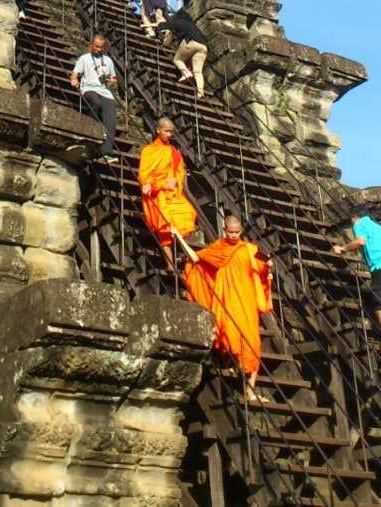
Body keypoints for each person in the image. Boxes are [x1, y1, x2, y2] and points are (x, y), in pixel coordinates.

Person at [184, 215, 274, 401]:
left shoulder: (250, 249)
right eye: (230, 232)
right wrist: (178, 236)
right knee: (229, 335)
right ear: (225, 230)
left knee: (253, 345)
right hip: (226, 299)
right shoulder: (218, 247)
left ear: (241, 232)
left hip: (246, 300)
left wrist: (268, 268)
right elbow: (197, 258)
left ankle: (250, 391)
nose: (233, 235)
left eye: (237, 232)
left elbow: (262, 270)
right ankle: (231, 364)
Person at [332, 204, 381, 363]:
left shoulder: (360, 224)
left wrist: (343, 249)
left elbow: (360, 242)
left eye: (351, 220)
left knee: (380, 306)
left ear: (355, 217)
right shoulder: (378, 227)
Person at [138, 117, 198, 268]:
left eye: (171, 132)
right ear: (158, 130)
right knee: (165, 224)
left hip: (172, 192)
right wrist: (148, 184)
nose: (169, 135)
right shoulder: (148, 151)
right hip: (158, 193)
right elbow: (144, 173)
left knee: (188, 213)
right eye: (166, 131)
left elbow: (180, 171)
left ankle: (178, 252)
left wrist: (176, 181)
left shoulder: (173, 151)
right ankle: (170, 262)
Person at [71, 35, 119, 164]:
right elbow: (75, 74)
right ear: (91, 45)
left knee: (111, 120)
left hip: (105, 92)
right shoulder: (84, 58)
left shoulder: (108, 61)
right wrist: (74, 80)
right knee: (96, 104)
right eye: (96, 46)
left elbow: (113, 80)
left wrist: (111, 82)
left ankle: (106, 152)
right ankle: (90, 128)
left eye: (101, 47)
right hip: (89, 88)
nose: (98, 49)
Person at [145, 10, 209, 98]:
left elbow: (162, 25)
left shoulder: (179, 22)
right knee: (198, 71)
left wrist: (146, 25)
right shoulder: (193, 25)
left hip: (190, 42)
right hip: (203, 47)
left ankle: (186, 73)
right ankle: (200, 92)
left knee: (177, 59)